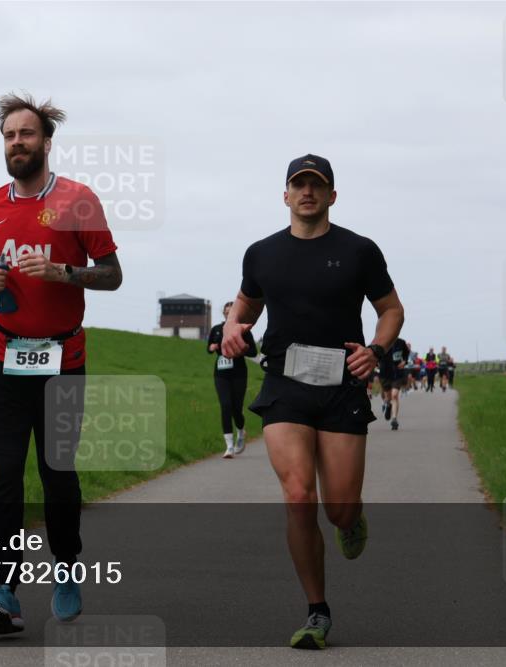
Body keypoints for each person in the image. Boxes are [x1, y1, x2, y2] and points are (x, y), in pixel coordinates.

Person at [221, 154, 404, 650]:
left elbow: (391, 310)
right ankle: (317, 611)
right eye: (298, 185)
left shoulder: (359, 250)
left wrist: (377, 350)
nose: (307, 192)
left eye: (316, 185)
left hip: (343, 385)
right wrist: (236, 329)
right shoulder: (261, 253)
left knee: (338, 510)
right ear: (285, 195)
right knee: (299, 496)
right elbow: (247, 305)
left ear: (331, 195)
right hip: (285, 385)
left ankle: (352, 516)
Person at [0, 93, 122, 633]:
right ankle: (2, 589)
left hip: (62, 359)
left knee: (57, 474)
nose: (17, 143)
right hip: (2, 356)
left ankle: (65, 568)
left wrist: (63, 272)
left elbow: (112, 274)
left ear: (46, 142)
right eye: (9, 135)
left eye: (26, 134)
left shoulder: (78, 200)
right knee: (4, 474)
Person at [207, 301, 258, 458]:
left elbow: (253, 352)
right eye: (226, 312)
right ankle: (229, 445)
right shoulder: (216, 329)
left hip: (238, 373)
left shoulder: (242, 330)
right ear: (223, 313)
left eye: (231, 312)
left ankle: (241, 432)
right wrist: (212, 347)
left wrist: (241, 348)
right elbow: (208, 347)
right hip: (221, 373)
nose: (228, 314)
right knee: (225, 405)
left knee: (236, 408)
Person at [378, 338, 409, 430]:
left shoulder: (401, 342)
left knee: (394, 395)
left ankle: (394, 419)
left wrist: (404, 362)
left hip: (397, 373)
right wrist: (377, 364)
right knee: (388, 397)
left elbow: (406, 354)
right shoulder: (382, 341)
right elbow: (374, 355)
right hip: (385, 373)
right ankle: (388, 404)